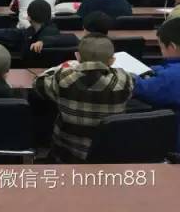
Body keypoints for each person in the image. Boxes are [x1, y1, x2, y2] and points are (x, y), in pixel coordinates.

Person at [33, 34, 134, 163]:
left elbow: (38, 83)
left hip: (66, 156)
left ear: (78, 56)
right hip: (109, 158)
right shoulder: (124, 79)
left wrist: (64, 66)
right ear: (112, 61)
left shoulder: (63, 77)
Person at [132, 18, 180, 152]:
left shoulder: (170, 78)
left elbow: (140, 88)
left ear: (172, 46)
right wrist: (159, 69)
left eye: (161, 47)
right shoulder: (171, 74)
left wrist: (131, 75)